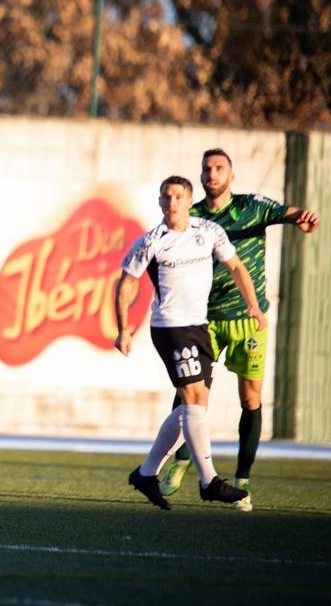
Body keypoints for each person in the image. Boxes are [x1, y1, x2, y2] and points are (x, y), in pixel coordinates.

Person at [157, 148, 321, 510]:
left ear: (232, 175)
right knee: (191, 393)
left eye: (219, 169)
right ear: (200, 176)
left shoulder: (253, 206)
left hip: (249, 319)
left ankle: (242, 480)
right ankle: (181, 463)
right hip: (203, 319)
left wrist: (303, 218)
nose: (212, 174)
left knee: (251, 399)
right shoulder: (192, 215)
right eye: (206, 169)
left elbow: (286, 213)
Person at [115, 175, 264, 510]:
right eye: (166, 197)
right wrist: (123, 329)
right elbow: (125, 283)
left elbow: (237, 267)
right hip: (171, 328)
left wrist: (252, 304)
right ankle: (209, 480)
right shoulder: (152, 241)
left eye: (178, 197)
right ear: (159, 202)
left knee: (191, 407)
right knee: (194, 399)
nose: (172, 203)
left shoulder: (208, 231)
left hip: (199, 327)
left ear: (188, 200)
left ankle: (147, 472)